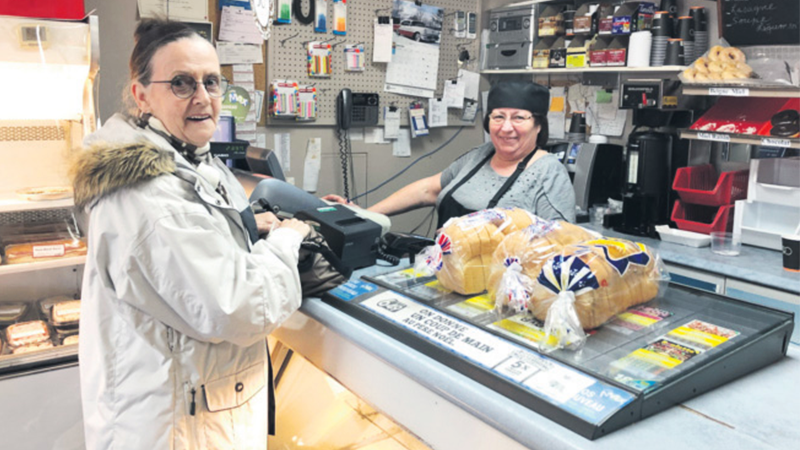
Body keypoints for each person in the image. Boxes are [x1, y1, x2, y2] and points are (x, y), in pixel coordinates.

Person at [70, 19, 309, 449]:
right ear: (142, 94)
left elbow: (184, 244)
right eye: (181, 83)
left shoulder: (183, 155)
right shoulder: (145, 194)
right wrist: (286, 242)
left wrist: (244, 227)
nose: (203, 98)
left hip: (178, 408)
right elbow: (238, 306)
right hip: (178, 426)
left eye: (211, 82)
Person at [325, 81, 576, 227]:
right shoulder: (480, 155)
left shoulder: (548, 172)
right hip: (448, 274)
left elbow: (560, 243)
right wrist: (364, 214)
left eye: (519, 118)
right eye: (498, 117)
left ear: (539, 125)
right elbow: (428, 190)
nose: (506, 127)